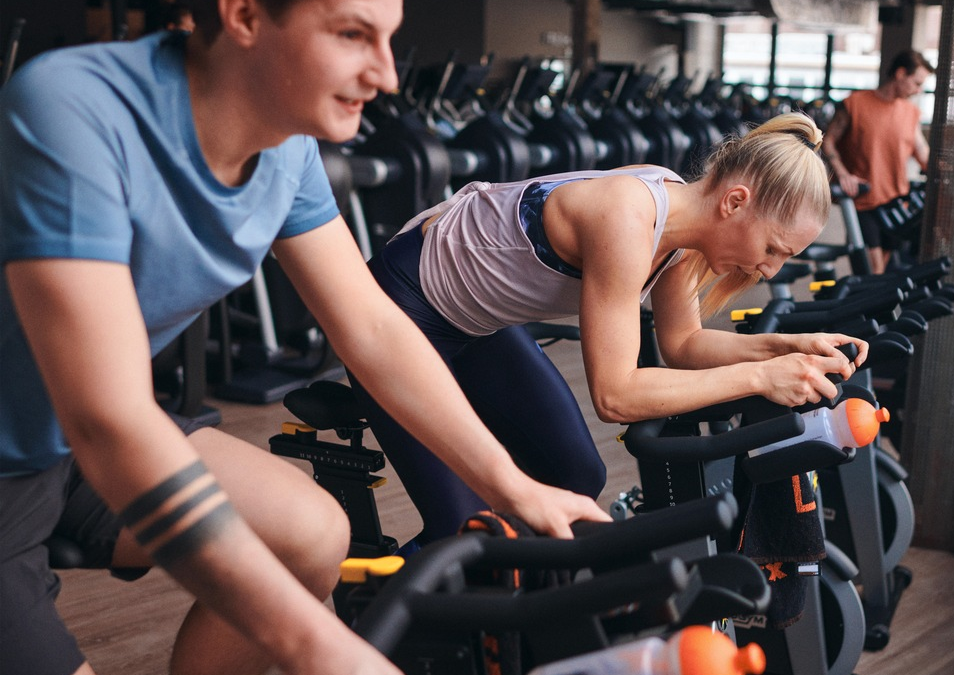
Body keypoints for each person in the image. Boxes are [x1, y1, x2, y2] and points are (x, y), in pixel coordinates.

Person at [0, 1, 607, 674]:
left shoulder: (286, 150)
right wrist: (320, 647)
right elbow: (106, 418)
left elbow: (372, 327)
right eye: (352, 34)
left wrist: (510, 484)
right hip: (37, 449)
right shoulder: (74, 108)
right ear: (245, 16)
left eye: (389, 39)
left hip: (74, 441)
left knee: (312, 534)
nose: (386, 75)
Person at [353, 111, 870, 546]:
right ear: (734, 203)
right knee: (463, 531)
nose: (772, 269)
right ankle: (383, 627)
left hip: (476, 326)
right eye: (774, 249)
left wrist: (787, 348)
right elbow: (616, 396)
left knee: (577, 477)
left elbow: (684, 344)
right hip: (401, 308)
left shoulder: (682, 233)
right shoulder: (628, 215)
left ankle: (507, 613)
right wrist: (761, 378)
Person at [823, 49, 933, 275]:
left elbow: (922, 153)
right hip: (864, 201)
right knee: (872, 271)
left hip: (896, 203)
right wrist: (843, 174)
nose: (918, 90)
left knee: (882, 277)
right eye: (917, 83)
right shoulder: (855, 103)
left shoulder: (911, 113)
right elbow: (828, 141)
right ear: (901, 74)